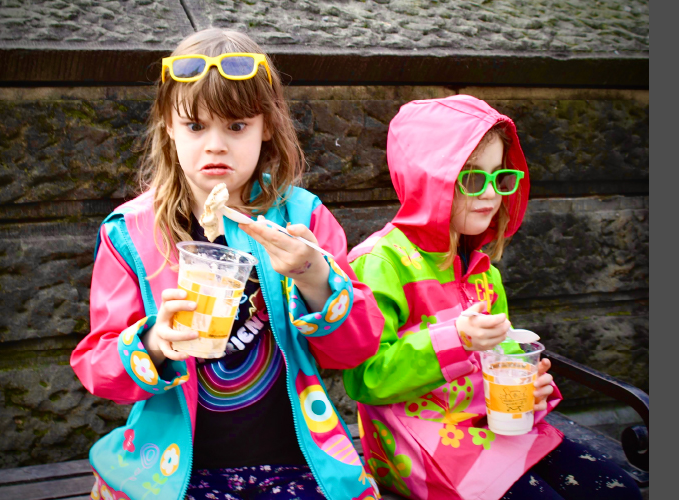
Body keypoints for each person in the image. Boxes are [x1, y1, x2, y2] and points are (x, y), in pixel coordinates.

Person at [70, 28, 384, 500]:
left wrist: (315, 276)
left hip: (297, 462)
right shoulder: (131, 233)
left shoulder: (301, 217)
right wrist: (154, 341)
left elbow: (356, 349)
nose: (215, 145)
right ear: (168, 128)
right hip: (175, 472)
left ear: (268, 127)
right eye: (196, 126)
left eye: (237, 126)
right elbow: (96, 365)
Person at [342, 95, 643, 500]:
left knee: (617, 490)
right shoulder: (379, 263)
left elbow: (499, 362)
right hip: (422, 447)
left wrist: (530, 390)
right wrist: (457, 338)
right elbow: (366, 378)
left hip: (494, 429)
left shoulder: (482, 270)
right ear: (427, 178)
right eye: (470, 177)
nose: (489, 194)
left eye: (500, 178)